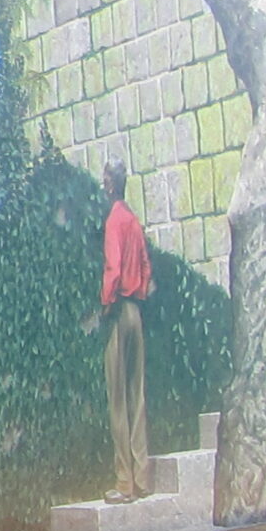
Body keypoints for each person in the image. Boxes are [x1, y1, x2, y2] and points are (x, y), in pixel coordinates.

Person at [87, 159, 153, 501]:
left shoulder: (114, 219)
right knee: (137, 396)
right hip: (136, 311)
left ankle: (125, 482)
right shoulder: (134, 220)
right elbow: (145, 266)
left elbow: (112, 269)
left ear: (111, 184)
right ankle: (142, 478)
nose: (102, 187)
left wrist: (105, 303)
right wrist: (137, 291)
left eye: (104, 181)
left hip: (118, 311)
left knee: (117, 400)